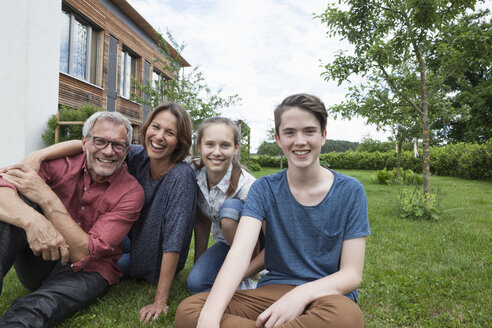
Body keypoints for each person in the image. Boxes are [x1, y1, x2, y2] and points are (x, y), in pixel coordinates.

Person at [175, 93, 370, 328]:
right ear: (278, 138)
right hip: (270, 295)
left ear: (323, 135)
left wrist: (301, 295)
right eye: (290, 132)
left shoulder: (350, 191)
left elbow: (351, 274)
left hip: (327, 297)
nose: (300, 141)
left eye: (309, 131)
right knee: (190, 311)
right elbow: (239, 254)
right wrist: (209, 317)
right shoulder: (263, 189)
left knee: (347, 318)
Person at [15, 102, 198, 323]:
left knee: (97, 268)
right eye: (156, 127)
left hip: (155, 255)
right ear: (147, 127)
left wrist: (160, 299)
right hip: (134, 239)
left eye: (170, 133)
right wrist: (39, 155)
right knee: (95, 251)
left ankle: (42, 302)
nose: (159, 136)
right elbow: (91, 144)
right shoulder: (138, 156)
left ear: (180, 141)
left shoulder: (181, 176)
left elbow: (174, 238)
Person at [0, 111, 145, 328]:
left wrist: (48, 199)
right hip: (41, 257)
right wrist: (33, 221)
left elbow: (83, 254)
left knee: (41, 306)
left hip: (88, 270)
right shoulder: (58, 163)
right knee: (15, 208)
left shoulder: (131, 193)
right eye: (100, 141)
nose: (108, 151)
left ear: (126, 151)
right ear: (84, 142)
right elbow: (5, 187)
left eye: (118, 145)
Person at [186, 117, 259, 294]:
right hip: (226, 244)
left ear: (235, 148)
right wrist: (199, 262)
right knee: (196, 283)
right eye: (209, 144)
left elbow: (263, 234)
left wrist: (253, 266)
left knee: (230, 209)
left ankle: (247, 277)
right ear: (199, 146)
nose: (216, 152)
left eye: (225, 145)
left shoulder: (247, 186)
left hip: (254, 248)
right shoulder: (193, 172)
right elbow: (201, 220)